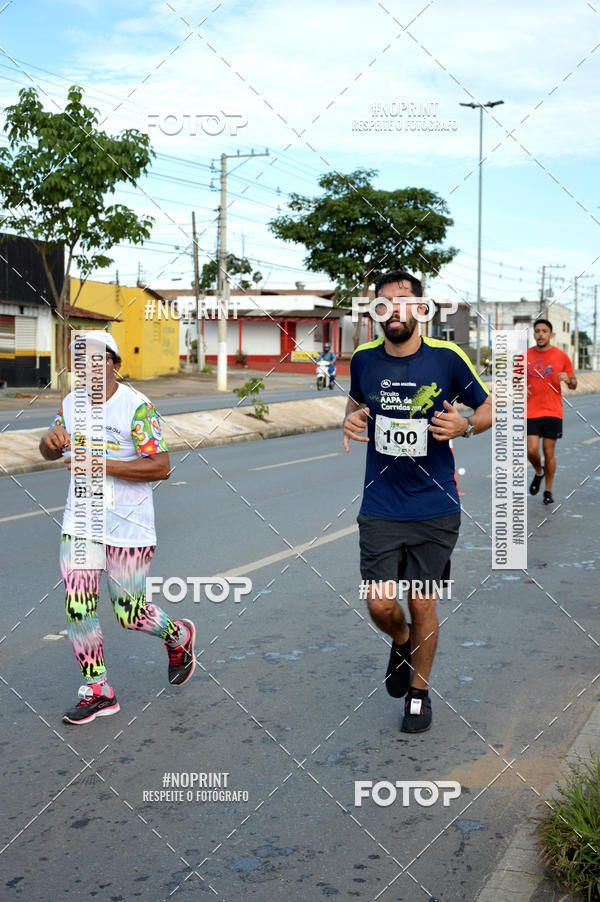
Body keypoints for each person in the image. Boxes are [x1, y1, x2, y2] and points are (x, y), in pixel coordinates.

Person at [343, 271, 492, 733]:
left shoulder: (447, 358)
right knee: (381, 605)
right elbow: (353, 408)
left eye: (404, 301)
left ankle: (419, 694)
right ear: (375, 312)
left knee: (423, 603)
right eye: (383, 303)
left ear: (421, 308)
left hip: (435, 505)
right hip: (381, 504)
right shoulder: (364, 360)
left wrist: (465, 426)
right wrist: (349, 422)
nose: (394, 310)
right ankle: (402, 639)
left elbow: (487, 408)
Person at [39, 330, 195, 725]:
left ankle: (177, 636)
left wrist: (101, 464)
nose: (89, 367)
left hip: (129, 528)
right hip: (81, 522)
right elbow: (48, 449)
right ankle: (98, 690)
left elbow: (161, 466)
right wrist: (50, 442)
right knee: (79, 606)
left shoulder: (136, 408)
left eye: (98, 358)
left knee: (130, 612)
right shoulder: (71, 404)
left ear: (114, 365)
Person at [527, 319, 577, 505]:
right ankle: (539, 472)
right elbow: (515, 381)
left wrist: (568, 379)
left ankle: (548, 490)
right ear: (534, 334)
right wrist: (519, 387)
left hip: (553, 411)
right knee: (531, 450)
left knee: (549, 452)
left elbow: (573, 385)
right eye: (537, 331)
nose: (540, 334)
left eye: (544, 331)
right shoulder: (525, 356)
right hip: (531, 411)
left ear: (551, 335)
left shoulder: (561, 356)